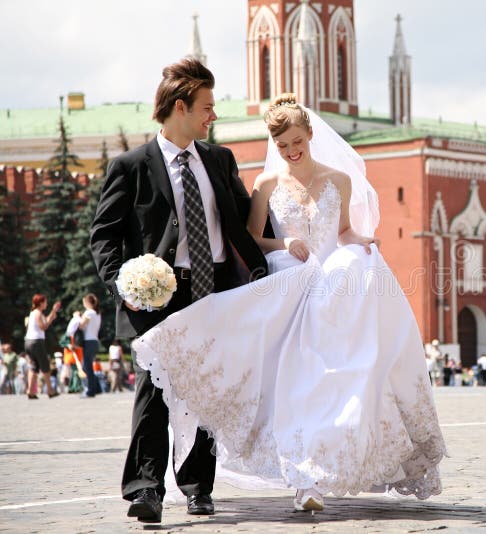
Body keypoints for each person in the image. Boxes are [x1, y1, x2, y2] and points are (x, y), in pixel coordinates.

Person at [130, 93, 445, 514]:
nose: (291, 152)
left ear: (310, 134)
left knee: (332, 378)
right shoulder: (267, 185)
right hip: (291, 284)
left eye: (297, 142)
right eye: (282, 147)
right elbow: (252, 238)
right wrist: (286, 242)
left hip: (332, 291)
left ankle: (318, 468)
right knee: (296, 385)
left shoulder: (339, 180)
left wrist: (363, 242)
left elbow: (345, 231)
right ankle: (302, 475)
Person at [90, 59, 269, 523]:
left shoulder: (219, 160)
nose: (213, 116)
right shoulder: (131, 167)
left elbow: (251, 221)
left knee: (205, 389)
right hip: (155, 296)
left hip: (213, 291)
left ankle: (196, 487)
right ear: (180, 106)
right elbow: (104, 235)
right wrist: (121, 284)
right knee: (154, 390)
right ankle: (145, 489)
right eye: (207, 107)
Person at [23, 294, 61, 399]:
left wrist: (53, 311)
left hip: (28, 342)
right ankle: (50, 390)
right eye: (45, 302)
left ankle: (30, 391)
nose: (46, 304)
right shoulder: (38, 313)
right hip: (37, 342)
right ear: (40, 303)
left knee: (34, 367)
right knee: (45, 366)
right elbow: (43, 327)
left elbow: (47, 320)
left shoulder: (33, 313)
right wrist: (50, 319)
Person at [78, 293, 103, 398]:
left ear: (88, 303)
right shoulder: (97, 313)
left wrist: (77, 317)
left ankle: (90, 390)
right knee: (87, 366)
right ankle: (94, 387)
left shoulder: (89, 312)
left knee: (86, 366)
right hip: (94, 341)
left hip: (88, 341)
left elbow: (81, 325)